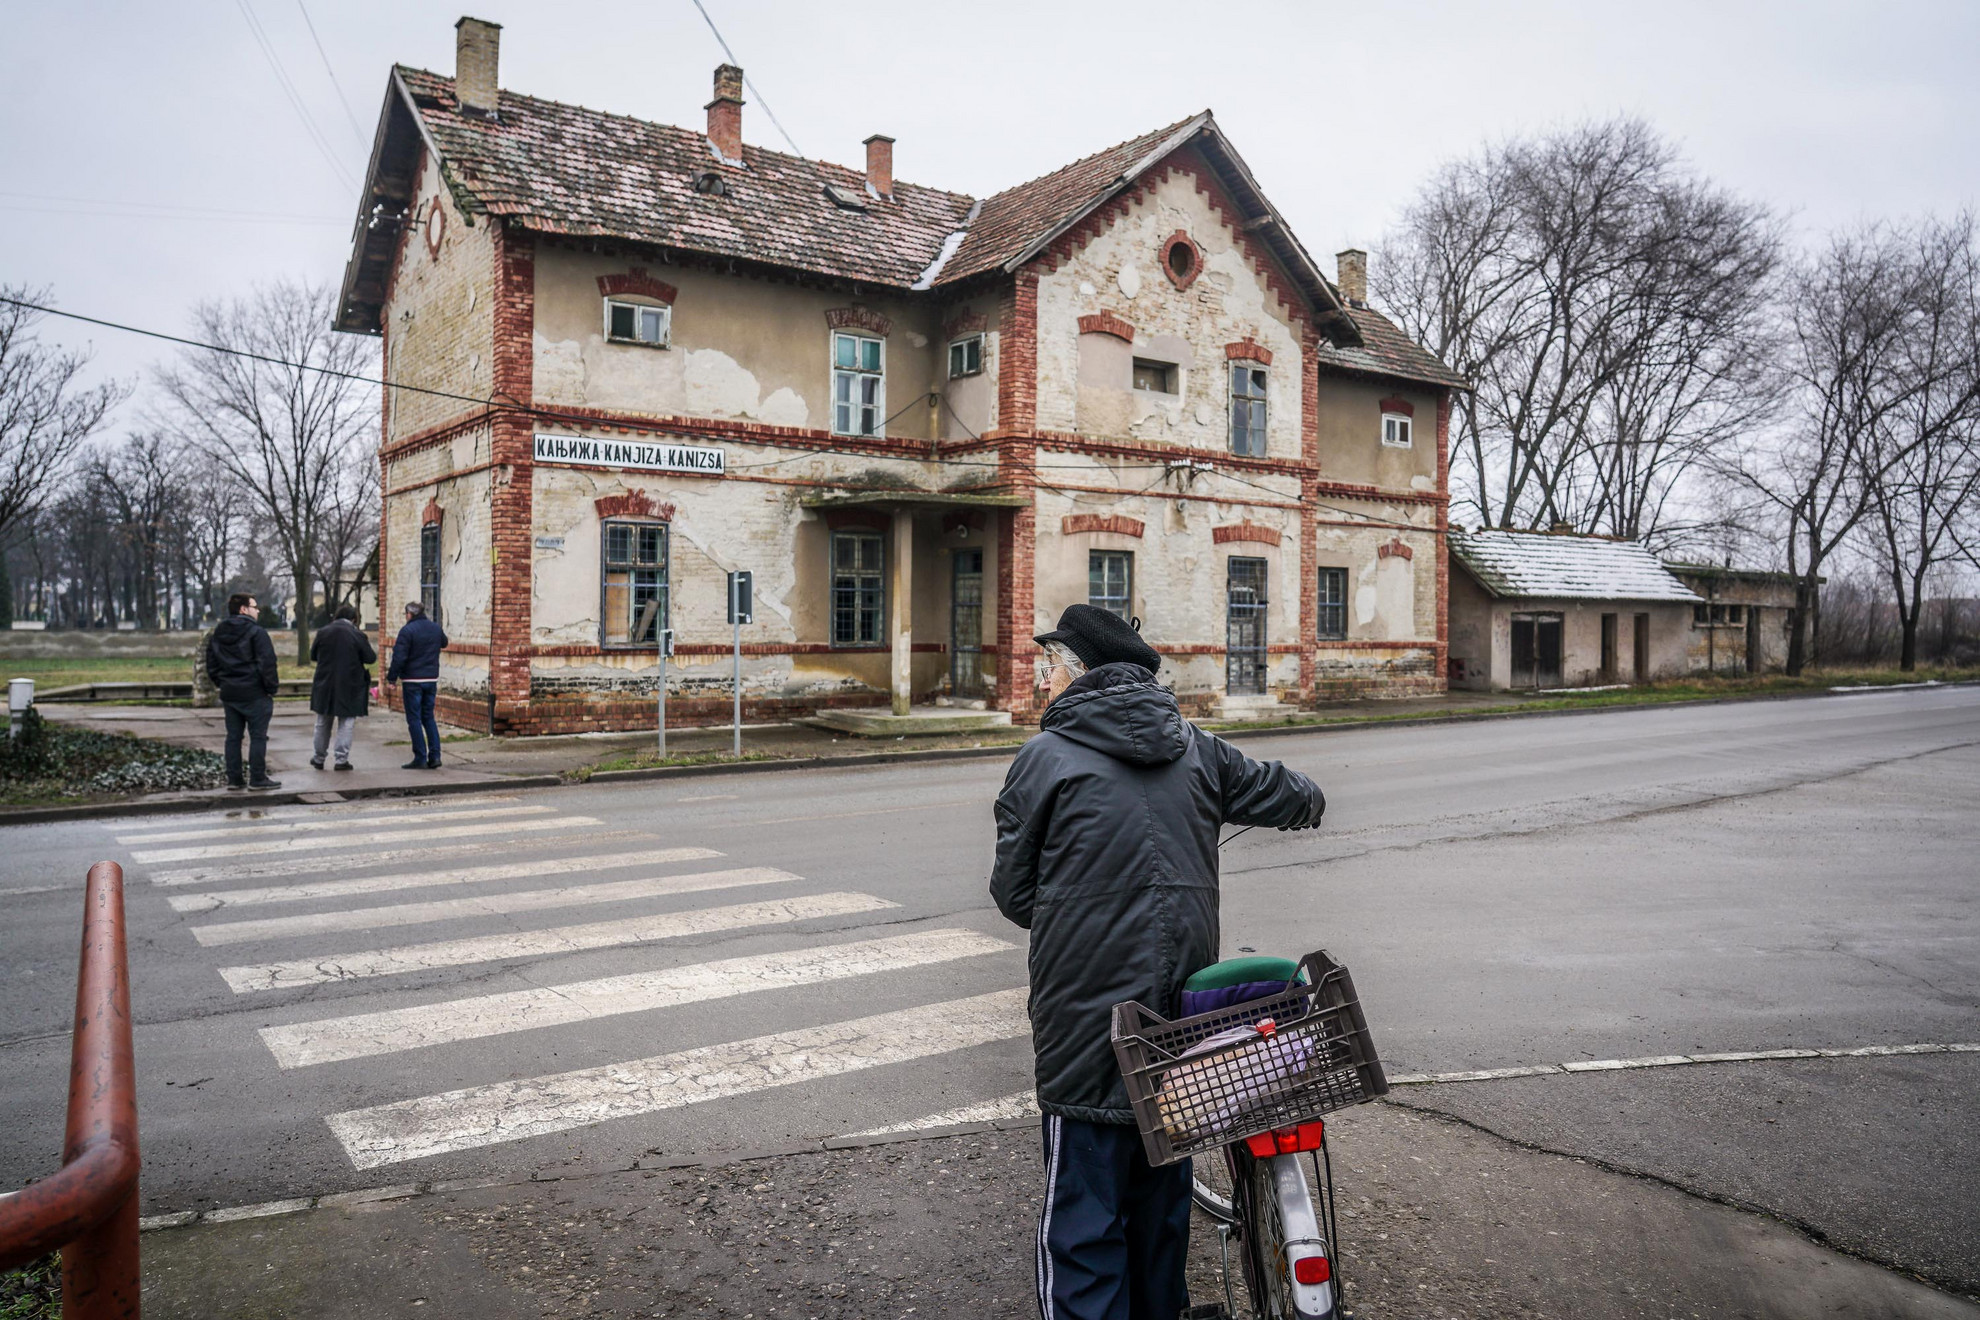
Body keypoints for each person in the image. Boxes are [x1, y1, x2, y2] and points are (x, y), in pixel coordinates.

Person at [991, 604, 1324, 1320]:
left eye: (1048, 666)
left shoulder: (1043, 760)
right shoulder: (1200, 750)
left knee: (1082, 1214)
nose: (1042, 680)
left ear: (1077, 672)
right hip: (1177, 1019)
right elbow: (1300, 798)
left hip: (1084, 1023)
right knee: (1161, 1191)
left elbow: (1015, 896)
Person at [203, 592, 283, 792]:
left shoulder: (218, 633)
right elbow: (267, 663)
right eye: (255, 607)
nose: (257, 611)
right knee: (258, 737)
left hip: (230, 692)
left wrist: (221, 682)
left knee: (233, 737)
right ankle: (257, 778)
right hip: (254, 691)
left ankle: (235, 779)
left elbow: (211, 662)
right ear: (244, 609)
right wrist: (271, 688)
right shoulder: (257, 633)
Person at [309, 604, 376, 771]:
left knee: (322, 721)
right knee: (346, 722)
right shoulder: (357, 635)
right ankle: (341, 760)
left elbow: (313, 655)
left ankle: (318, 757)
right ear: (354, 619)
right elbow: (370, 658)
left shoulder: (323, 632)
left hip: (325, 683)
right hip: (350, 684)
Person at [385, 599, 448, 770]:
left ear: (410, 614)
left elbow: (399, 657)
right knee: (428, 717)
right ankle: (435, 756)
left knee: (414, 718)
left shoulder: (407, 631)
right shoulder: (435, 628)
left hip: (412, 681)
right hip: (431, 679)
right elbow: (444, 642)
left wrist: (391, 678)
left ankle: (420, 757)